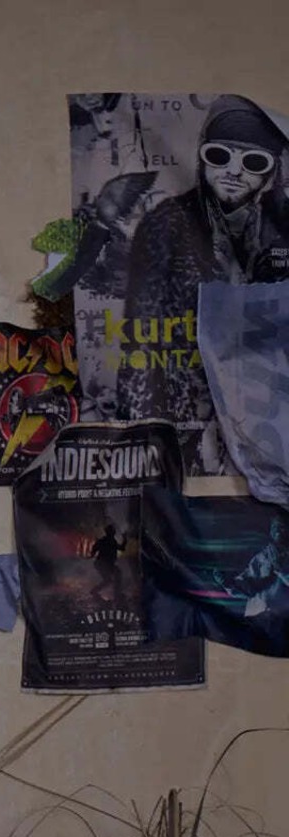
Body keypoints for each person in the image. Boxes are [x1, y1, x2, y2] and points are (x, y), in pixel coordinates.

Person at [117, 96, 289, 461]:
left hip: (268, 416)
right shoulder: (164, 225)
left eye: (253, 161)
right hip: (187, 413)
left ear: (271, 171)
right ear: (202, 158)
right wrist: (143, 439)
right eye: (220, 156)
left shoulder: (283, 228)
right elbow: (140, 336)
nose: (234, 171)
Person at [90, 522, 128, 603]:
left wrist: (125, 539)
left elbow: (121, 548)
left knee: (110, 578)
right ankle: (116, 595)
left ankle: (95, 591)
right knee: (115, 576)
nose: (113, 533)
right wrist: (125, 539)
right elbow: (122, 548)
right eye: (112, 531)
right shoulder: (108, 541)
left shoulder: (108, 541)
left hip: (104, 564)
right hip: (103, 564)